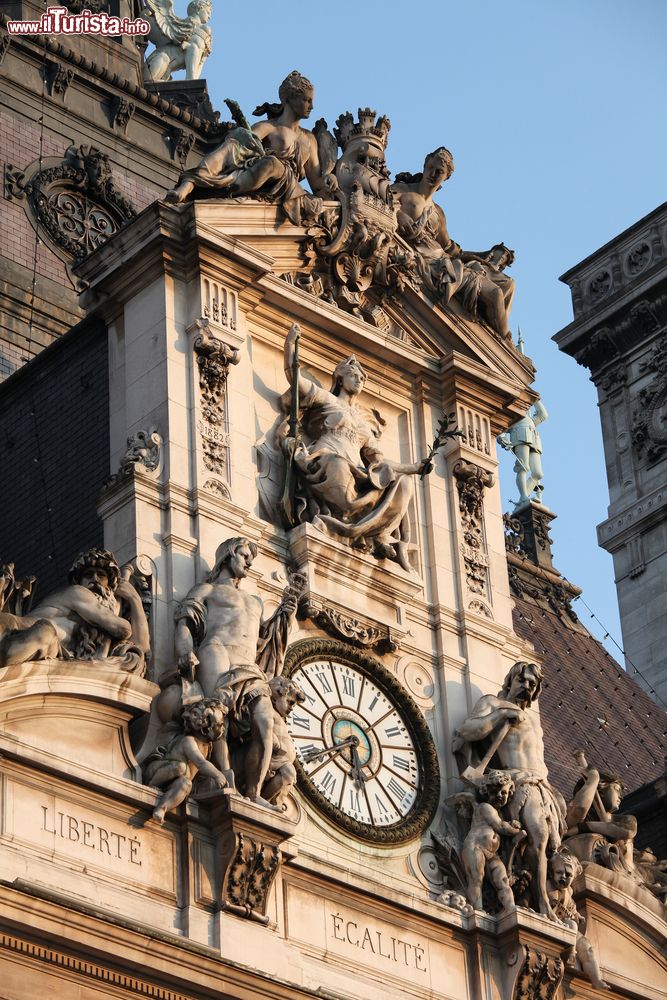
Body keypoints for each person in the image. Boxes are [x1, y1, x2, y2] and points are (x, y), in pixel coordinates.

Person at [282, 323, 430, 572]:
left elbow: (380, 464)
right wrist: (289, 346)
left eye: (362, 378)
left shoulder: (364, 424)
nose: (359, 380)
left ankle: (374, 531)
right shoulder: (327, 399)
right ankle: (348, 524)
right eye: (355, 376)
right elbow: (294, 378)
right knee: (339, 466)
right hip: (326, 459)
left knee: (402, 483)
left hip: (355, 471)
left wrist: (414, 468)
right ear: (340, 377)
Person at [174, 536, 297, 809]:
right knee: (220, 715)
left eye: (250, 558)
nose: (249, 562)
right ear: (228, 556)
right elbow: (184, 622)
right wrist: (184, 650)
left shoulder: (256, 601)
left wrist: (284, 616)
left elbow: (264, 642)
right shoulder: (206, 590)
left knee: (265, 724)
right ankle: (224, 778)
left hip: (248, 664)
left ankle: (254, 792)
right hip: (216, 651)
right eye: (244, 555)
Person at [452, 661, 567, 920]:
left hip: (542, 786)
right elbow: (467, 731)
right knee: (538, 834)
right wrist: (500, 716)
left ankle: (532, 898)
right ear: (510, 681)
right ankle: (543, 905)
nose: (527, 687)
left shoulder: (534, 721)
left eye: (532, 685)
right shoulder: (493, 703)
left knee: (543, 841)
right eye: (523, 681)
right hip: (518, 784)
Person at [166, 71, 332, 224]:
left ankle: (214, 188)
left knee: (269, 162)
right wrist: (242, 137)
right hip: (265, 175)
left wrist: (330, 180)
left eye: (311, 100)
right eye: (307, 100)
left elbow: (317, 183)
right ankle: (193, 182)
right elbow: (239, 147)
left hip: (290, 188)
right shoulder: (269, 128)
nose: (312, 106)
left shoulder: (309, 139)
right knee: (235, 143)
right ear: (288, 99)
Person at [393, 147, 515, 338]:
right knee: (495, 295)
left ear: (446, 178)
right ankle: (506, 351)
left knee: (506, 286)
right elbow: (377, 201)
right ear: (424, 166)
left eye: (439, 172)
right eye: (431, 167)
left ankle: (504, 349)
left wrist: (484, 255)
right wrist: (399, 215)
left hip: (442, 261)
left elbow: (451, 250)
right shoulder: (402, 191)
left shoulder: (438, 213)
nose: (433, 174)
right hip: (424, 261)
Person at [0, 548, 149, 672]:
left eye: (101, 575)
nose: (95, 579)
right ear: (79, 582)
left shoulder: (90, 626)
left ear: (110, 586)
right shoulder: (78, 593)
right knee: (45, 632)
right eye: (88, 575)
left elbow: (141, 646)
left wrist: (134, 600)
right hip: (15, 630)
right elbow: (122, 629)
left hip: (37, 644)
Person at [144, 696, 230, 824]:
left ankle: (162, 808)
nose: (221, 729)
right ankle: (152, 786)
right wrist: (217, 775)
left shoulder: (208, 746)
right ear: (205, 725)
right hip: (159, 771)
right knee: (181, 768)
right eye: (218, 725)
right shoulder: (188, 741)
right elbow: (200, 763)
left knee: (186, 784)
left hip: (177, 779)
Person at [450, 770, 526, 915]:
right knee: (476, 879)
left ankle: (511, 909)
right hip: (475, 848)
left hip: (492, 854)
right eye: (494, 791)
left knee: (502, 880)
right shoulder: (485, 807)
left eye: (503, 793)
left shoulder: (500, 813)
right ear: (486, 792)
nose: (499, 795)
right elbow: (501, 826)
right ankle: (477, 910)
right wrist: (515, 829)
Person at [547, 852, 610, 991]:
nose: (563, 877)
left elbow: (572, 908)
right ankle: (571, 954)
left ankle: (596, 979)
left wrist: (577, 915)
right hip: (554, 923)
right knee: (571, 925)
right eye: (559, 873)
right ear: (551, 873)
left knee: (587, 948)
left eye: (568, 875)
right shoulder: (548, 886)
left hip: (568, 926)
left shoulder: (568, 891)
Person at [143, 0, 213, 83]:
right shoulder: (187, 26)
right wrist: (191, 81)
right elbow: (192, 50)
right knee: (164, 57)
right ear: (198, 9)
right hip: (154, 70)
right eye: (208, 12)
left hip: (165, 73)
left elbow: (198, 62)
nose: (209, 16)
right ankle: (151, 80)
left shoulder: (200, 31)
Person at [498, 400, 548, 506]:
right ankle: (524, 496)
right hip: (520, 437)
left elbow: (543, 415)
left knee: (538, 474)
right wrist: (502, 438)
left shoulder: (532, 420)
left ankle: (524, 497)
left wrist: (535, 399)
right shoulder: (513, 417)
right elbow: (500, 427)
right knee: (523, 467)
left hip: (534, 440)